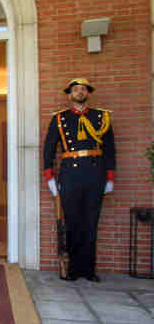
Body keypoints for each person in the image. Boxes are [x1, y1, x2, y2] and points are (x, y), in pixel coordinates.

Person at [43, 78, 115, 282]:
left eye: (83, 89)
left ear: (88, 94)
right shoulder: (59, 119)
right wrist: (49, 177)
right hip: (70, 174)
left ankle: (89, 270)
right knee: (73, 221)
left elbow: (109, 148)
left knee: (91, 222)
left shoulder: (102, 117)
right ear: (69, 95)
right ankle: (74, 269)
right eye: (76, 89)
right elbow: (48, 149)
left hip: (95, 173)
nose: (80, 92)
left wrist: (110, 177)